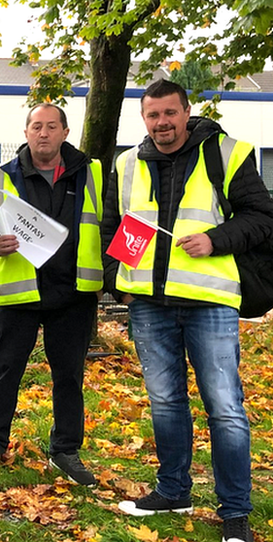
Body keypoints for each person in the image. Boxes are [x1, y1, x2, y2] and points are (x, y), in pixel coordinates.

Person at [103, 79, 273, 542]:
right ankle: (174, 490)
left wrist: (215, 240)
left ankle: (235, 512)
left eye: (170, 114)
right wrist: (121, 288)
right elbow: (112, 228)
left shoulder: (227, 153)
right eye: (153, 116)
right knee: (165, 404)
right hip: (149, 306)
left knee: (225, 408)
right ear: (144, 119)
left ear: (186, 112)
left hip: (209, 302)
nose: (162, 123)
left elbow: (262, 217)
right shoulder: (126, 163)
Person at [0, 104, 102, 486]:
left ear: (65, 132)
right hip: (20, 291)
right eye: (36, 127)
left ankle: (66, 450)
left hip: (73, 292)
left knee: (69, 376)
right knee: (6, 370)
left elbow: (109, 224)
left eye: (51, 127)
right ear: (26, 133)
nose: (43, 133)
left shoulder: (94, 174)